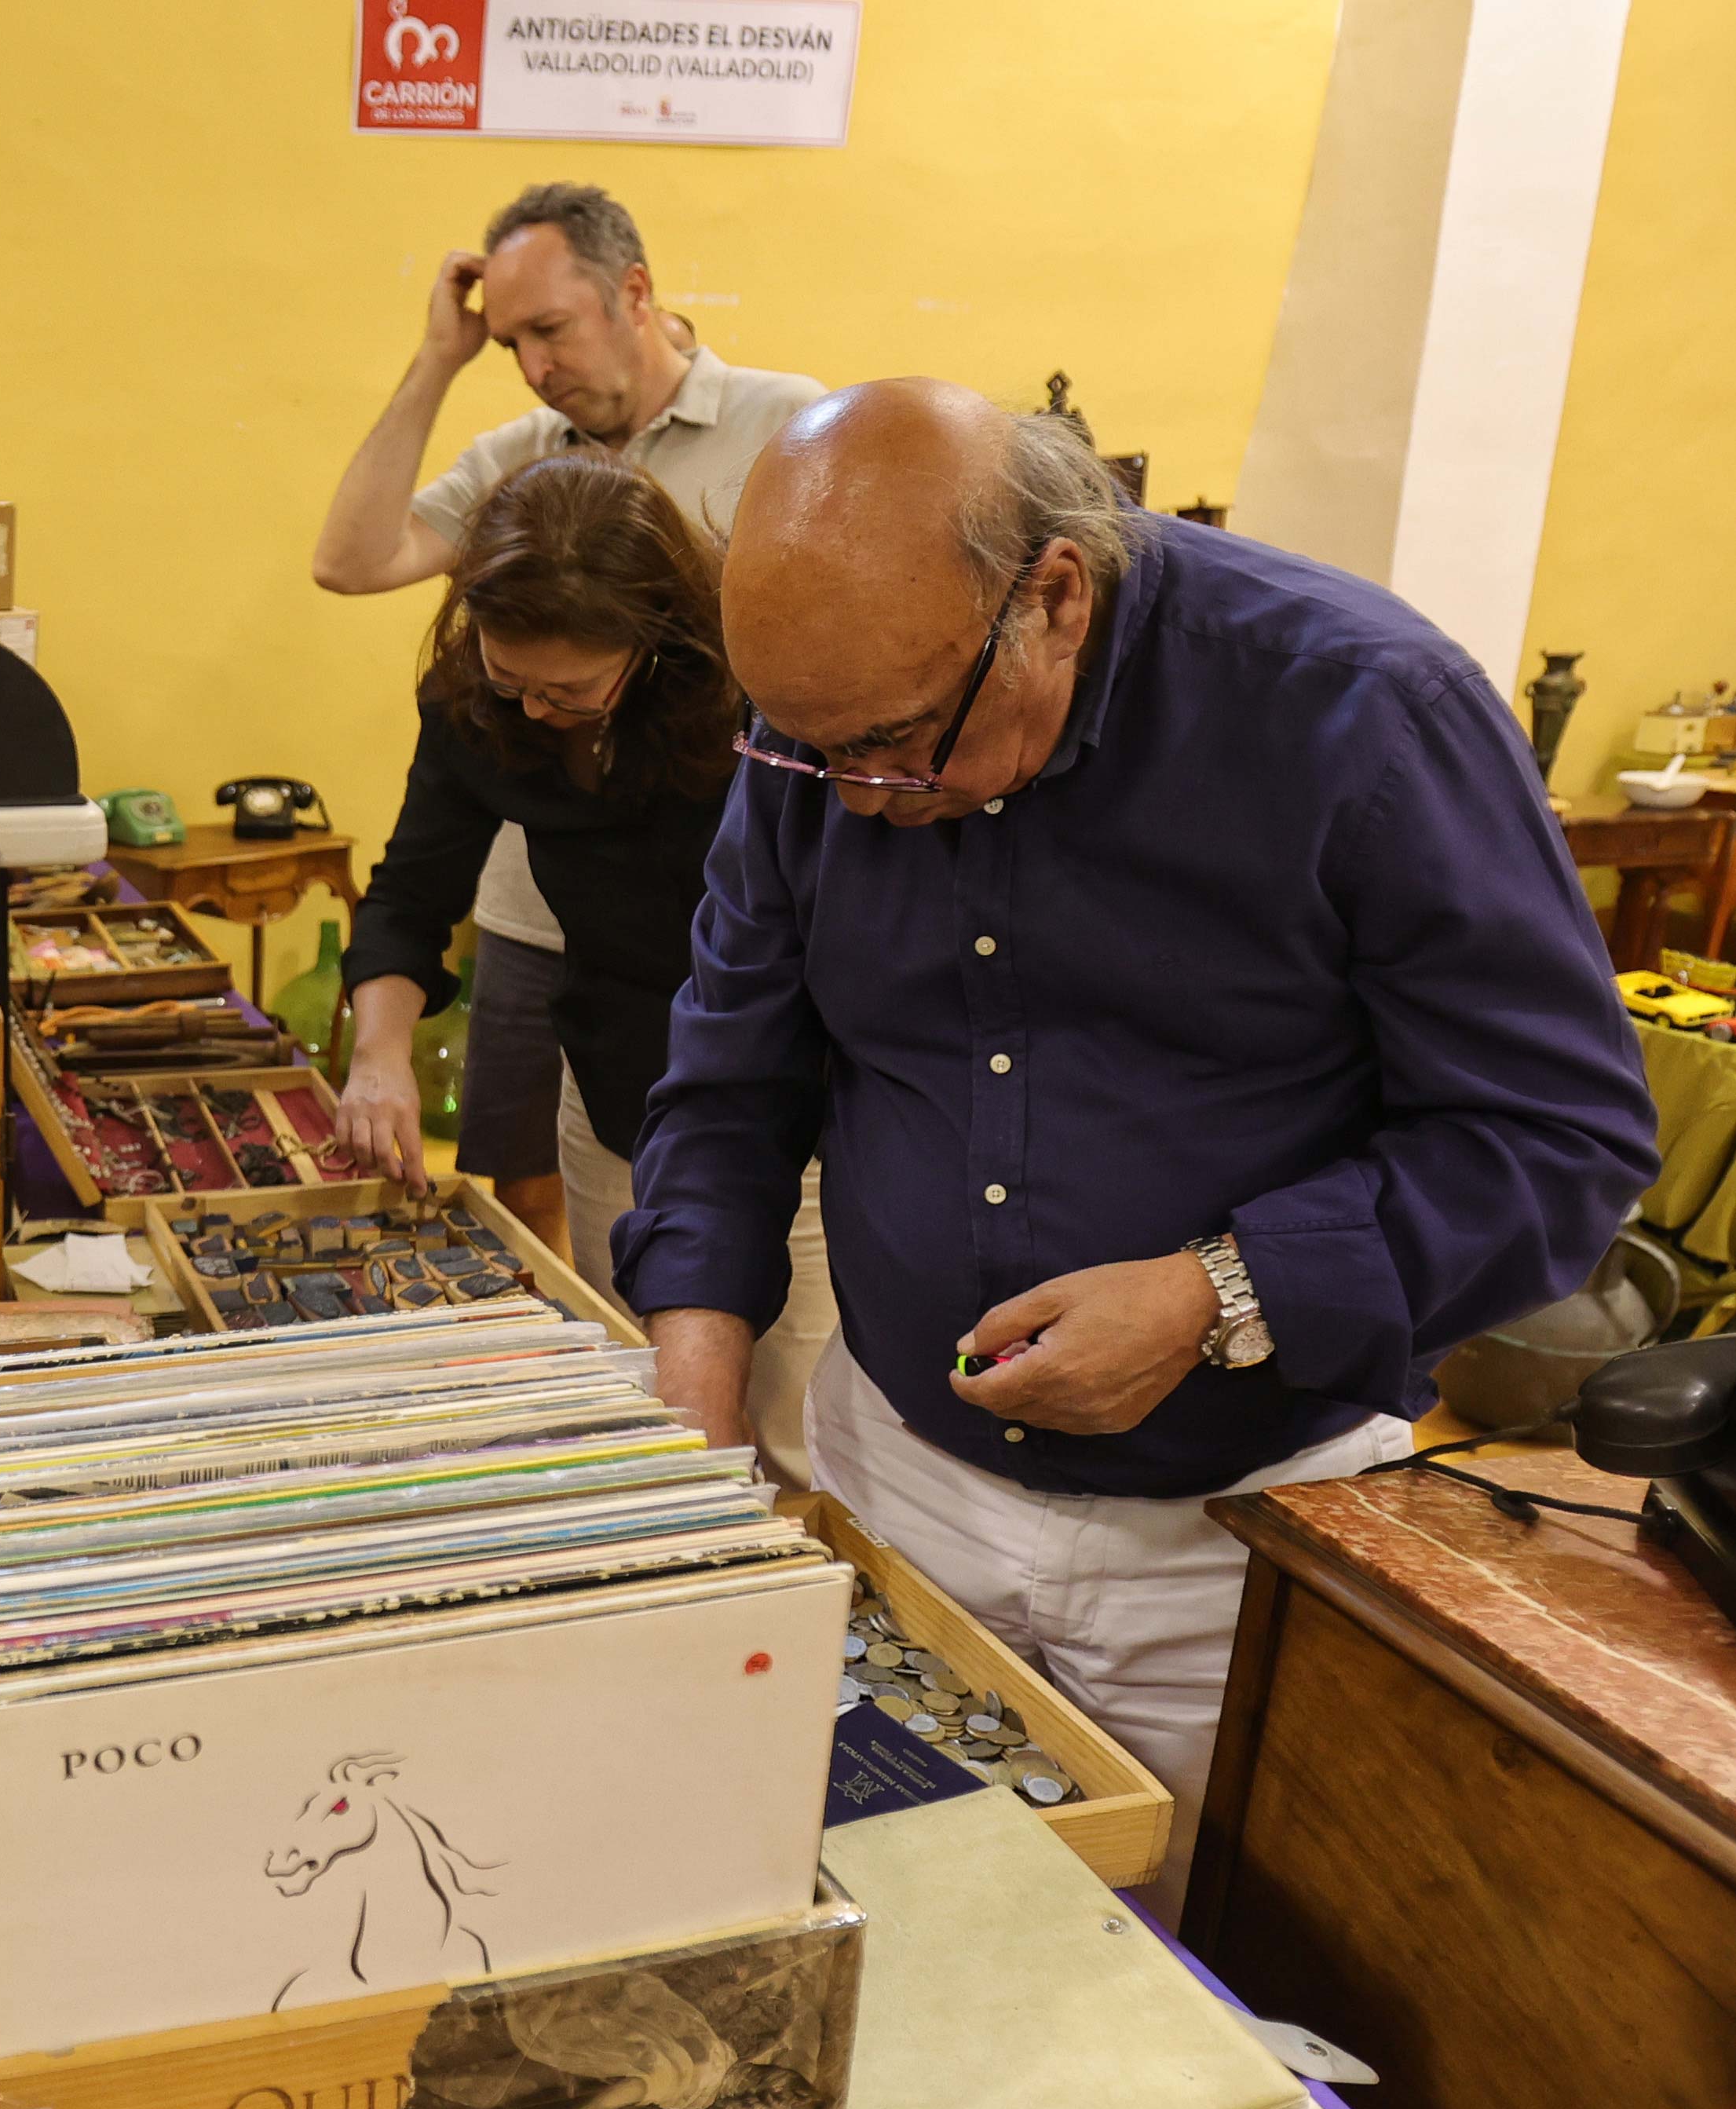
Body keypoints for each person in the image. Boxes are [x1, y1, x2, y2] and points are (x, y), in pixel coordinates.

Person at [615, 378, 1659, 1913]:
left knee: (1183, 1987)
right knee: (874, 1932)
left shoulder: (1364, 714)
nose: (860, 801)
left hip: (1231, 1546)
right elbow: (730, 1070)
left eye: (899, 746)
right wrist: (696, 1400)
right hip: (895, 1480)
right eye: (805, 750)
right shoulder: (831, 729)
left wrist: (1218, 1295)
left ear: (1052, 597)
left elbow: (1558, 1140)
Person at [314, 181, 824, 1260]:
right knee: (604, 1278)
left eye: (548, 327)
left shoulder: (786, 431)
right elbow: (350, 563)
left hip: (775, 1059)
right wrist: (378, 1054)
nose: (536, 362)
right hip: (588, 1004)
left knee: (769, 1371)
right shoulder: (516, 473)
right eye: (511, 342)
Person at [331, 454, 833, 1486]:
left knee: (788, 1425)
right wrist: (378, 1053)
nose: (529, 713)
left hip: (789, 1095)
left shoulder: (758, 703)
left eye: (567, 690)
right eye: (508, 677)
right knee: (647, 1388)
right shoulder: (474, 701)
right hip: (612, 1078)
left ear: (652, 640)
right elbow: (410, 891)